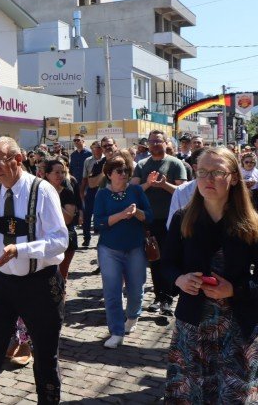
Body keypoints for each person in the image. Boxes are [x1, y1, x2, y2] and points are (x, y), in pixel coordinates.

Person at [0, 137, 68, 404]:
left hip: (40, 284)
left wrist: (21, 250)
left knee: (45, 355)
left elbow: (60, 240)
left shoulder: (42, 191)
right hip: (3, 284)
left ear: (18, 160)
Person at [162, 147, 258, 403]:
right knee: (193, 396)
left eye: (217, 172)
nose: (208, 179)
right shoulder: (184, 219)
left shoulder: (251, 223)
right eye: (202, 172)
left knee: (233, 397)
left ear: (234, 177)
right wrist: (179, 280)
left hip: (237, 328)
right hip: (193, 327)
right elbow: (167, 264)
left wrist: (234, 289)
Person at [93, 155, 153, 349]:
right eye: (119, 171)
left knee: (136, 289)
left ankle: (132, 316)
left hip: (135, 248)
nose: (124, 174)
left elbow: (149, 216)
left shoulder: (136, 190)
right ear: (109, 174)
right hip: (109, 249)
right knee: (112, 292)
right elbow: (99, 223)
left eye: (126, 170)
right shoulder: (102, 194)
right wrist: (121, 215)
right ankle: (116, 331)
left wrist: (137, 213)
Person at [131, 130, 187, 316]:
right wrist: (148, 184)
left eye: (158, 141)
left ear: (165, 143)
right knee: (154, 258)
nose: (155, 144)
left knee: (169, 258)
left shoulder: (175, 163)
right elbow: (134, 190)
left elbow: (182, 190)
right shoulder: (141, 164)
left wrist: (164, 185)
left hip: (172, 219)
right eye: (152, 141)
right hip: (150, 219)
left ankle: (168, 297)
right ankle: (159, 296)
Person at [44, 159, 80, 280]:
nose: (60, 175)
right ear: (47, 174)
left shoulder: (67, 193)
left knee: (61, 276)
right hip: (44, 238)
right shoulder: (39, 192)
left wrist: (54, 202)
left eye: (62, 172)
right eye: (56, 172)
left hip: (65, 238)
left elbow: (68, 219)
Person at [80, 140, 103, 246]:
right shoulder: (87, 161)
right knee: (87, 214)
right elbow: (84, 177)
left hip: (103, 189)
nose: (96, 149)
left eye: (99, 147)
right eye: (94, 147)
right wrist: (82, 191)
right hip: (91, 189)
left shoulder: (106, 160)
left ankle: (101, 238)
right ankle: (86, 237)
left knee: (100, 214)